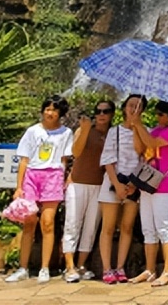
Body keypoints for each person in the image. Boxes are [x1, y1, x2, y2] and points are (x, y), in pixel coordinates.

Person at [4, 96, 74, 284]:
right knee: (29, 222)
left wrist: (61, 178)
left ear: (61, 113)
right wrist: (19, 187)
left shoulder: (66, 133)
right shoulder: (33, 131)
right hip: (32, 175)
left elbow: (64, 159)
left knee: (48, 222)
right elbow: (24, 160)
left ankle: (44, 268)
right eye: (47, 109)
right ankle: (23, 268)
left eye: (54, 110)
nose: (50, 113)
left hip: (52, 176)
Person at [126, 99, 168, 287]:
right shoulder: (157, 129)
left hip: (165, 186)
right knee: (148, 229)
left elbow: (152, 143)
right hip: (148, 183)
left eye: (161, 114)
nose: (157, 117)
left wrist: (139, 124)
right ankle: (150, 270)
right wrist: (135, 127)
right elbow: (141, 148)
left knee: (163, 227)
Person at [61, 100, 112, 282]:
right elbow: (76, 152)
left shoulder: (113, 134)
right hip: (78, 184)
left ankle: (81, 265)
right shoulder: (84, 129)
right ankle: (69, 266)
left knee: (91, 227)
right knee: (72, 223)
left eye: (106, 111)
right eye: (98, 111)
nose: (101, 115)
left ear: (112, 114)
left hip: (99, 186)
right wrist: (84, 130)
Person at [97, 94, 145, 284]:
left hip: (134, 184)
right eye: (131, 105)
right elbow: (107, 159)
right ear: (124, 107)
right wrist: (117, 184)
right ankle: (107, 269)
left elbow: (143, 155)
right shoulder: (114, 131)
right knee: (108, 228)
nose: (134, 109)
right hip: (113, 182)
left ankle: (120, 267)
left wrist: (137, 127)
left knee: (127, 227)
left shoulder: (145, 131)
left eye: (138, 106)